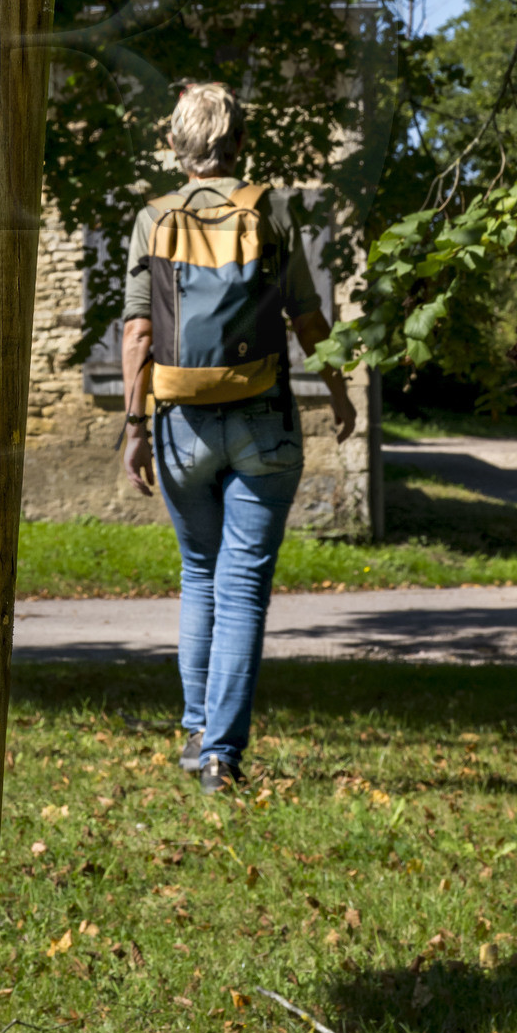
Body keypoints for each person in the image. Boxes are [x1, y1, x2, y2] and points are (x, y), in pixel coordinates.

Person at [120, 82, 356, 792]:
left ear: (175, 145)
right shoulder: (272, 210)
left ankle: (197, 732)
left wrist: (134, 427)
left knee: (199, 573)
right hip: (262, 418)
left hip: (180, 422)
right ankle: (222, 756)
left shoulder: (153, 217)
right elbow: (308, 317)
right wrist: (338, 390)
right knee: (243, 586)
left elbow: (137, 334)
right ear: (240, 143)